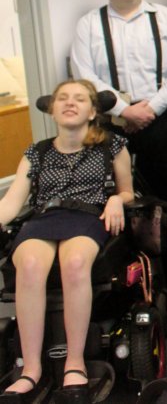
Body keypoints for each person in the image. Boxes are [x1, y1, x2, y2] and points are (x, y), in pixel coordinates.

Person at [70, 0, 167, 307]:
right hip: (111, 121)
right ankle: (130, 287)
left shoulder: (164, 18)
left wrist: (149, 109)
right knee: (115, 202)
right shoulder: (89, 25)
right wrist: (125, 110)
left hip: (162, 116)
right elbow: (86, 75)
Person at [0, 80, 133, 398]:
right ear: (52, 109)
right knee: (29, 265)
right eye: (63, 98)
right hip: (44, 218)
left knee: (74, 263)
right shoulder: (37, 151)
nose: (70, 103)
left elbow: (127, 190)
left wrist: (116, 199)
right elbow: (11, 203)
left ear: (92, 111)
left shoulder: (111, 146)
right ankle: (31, 369)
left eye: (79, 99)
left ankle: (75, 362)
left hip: (88, 216)